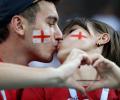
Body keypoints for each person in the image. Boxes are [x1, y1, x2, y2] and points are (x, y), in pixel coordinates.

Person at [0, 0, 89, 99]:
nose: (59, 35)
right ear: (19, 25)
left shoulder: (32, 88)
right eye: (50, 24)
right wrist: (57, 74)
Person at [21, 17, 120, 100]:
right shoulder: (40, 86)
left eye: (72, 31)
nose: (59, 37)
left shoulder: (117, 89)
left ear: (102, 38)